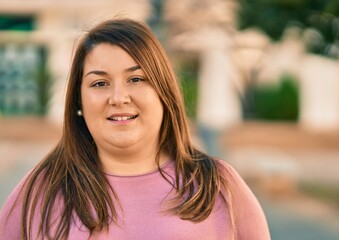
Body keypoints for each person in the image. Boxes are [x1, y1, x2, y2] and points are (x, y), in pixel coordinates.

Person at [0, 18, 270, 240]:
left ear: (164, 93)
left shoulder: (217, 185)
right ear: (78, 102)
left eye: (136, 79)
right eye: (99, 83)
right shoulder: (41, 190)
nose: (119, 97)